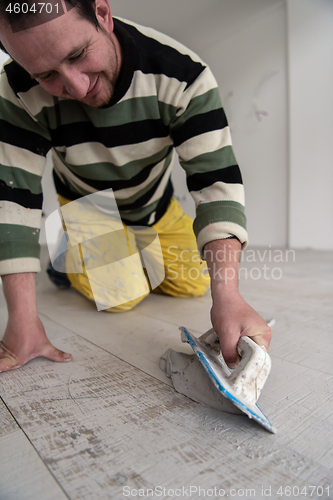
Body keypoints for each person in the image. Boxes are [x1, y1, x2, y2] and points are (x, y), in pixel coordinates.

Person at [0, 0, 272, 373]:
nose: (76, 87)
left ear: (102, 13)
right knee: (120, 296)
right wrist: (22, 317)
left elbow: (215, 182)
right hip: (88, 203)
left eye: (79, 54)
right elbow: (14, 196)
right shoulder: (15, 87)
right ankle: (65, 255)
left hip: (154, 203)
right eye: (46, 75)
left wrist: (228, 294)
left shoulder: (184, 75)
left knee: (195, 283)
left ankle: (125, 246)